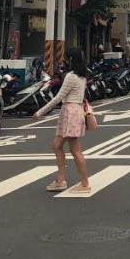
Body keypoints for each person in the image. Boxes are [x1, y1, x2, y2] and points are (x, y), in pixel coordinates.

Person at [35, 50, 92, 193]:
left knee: (75, 149)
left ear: (71, 60)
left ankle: (84, 184)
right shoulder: (82, 76)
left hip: (70, 113)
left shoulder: (71, 77)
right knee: (57, 145)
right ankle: (61, 180)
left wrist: (40, 112)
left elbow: (58, 97)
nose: (63, 61)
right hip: (74, 111)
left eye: (66, 59)